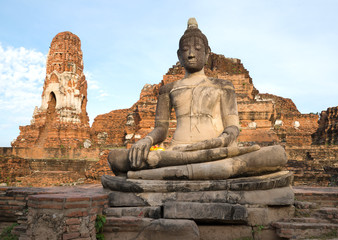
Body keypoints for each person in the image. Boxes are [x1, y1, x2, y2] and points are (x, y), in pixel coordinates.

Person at [107, 18, 286, 180]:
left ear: (207, 54)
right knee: (116, 158)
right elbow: (161, 130)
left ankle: (162, 174)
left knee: (277, 154)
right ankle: (210, 171)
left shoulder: (223, 86)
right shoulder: (168, 89)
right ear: (179, 55)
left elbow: (233, 126)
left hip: (216, 150)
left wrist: (223, 139)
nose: (191, 54)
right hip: (177, 153)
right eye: (186, 50)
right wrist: (146, 141)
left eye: (198, 49)